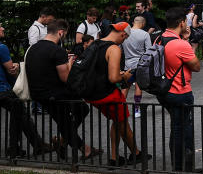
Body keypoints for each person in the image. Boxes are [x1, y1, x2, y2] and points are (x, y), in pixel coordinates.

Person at [25, 19, 98, 159]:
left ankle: (63, 141)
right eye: (64, 35)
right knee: (74, 116)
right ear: (60, 32)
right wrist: (70, 63)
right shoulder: (57, 50)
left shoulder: (32, 49)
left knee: (72, 116)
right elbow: (66, 78)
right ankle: (83, 148)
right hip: (57, 94)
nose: (64, 38)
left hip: (38, 93)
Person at [82, 23, 145, 166]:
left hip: (91, 93)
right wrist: (125, 76)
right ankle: (136, 154)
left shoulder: (95, 44)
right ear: (123, 34)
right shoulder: (114, 48)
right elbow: (113, 78)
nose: (124, 41)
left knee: (117, 121)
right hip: (107, 94)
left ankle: (114, 157)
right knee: (122, 122)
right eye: (125, 38)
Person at [157, 7, 202, 174]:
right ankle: (181, 169)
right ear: (182, 22)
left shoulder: (160, 39)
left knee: (176, 128)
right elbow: (196, 66)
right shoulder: (180, 44)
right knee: (184, 130)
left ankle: (181, 166)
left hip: (165, 91)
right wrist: (187, 42)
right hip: (180, 91)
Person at [0, 22, 48, 157]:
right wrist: (16, 66)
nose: (3, 28)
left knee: (20, 113)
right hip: (3, 89)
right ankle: (16, 148)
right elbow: (11, 71)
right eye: (0, 26)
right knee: (20, 113)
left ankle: (34, 145)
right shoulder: (1, 48)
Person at [123, 16, 152, 118]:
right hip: (140, 65)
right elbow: (149, 50)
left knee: (125, 86)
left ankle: (121, 108)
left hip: (128, 65)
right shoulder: (145, 34)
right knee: (138, 86)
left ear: (133, 22)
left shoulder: (125, 33)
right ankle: (136, 109)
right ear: (143, 23)